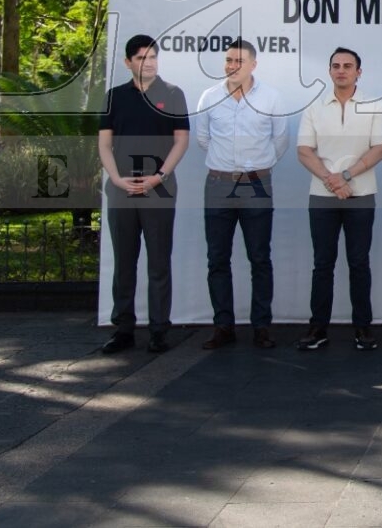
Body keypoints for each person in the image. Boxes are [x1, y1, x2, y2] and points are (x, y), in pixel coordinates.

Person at [96, 35, 189, 355]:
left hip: (159, 190)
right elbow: (104, 145)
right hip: (121, 190)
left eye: (152, 57)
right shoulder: (114, 97)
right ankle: (123, 328)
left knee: (159, 263)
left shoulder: (173, 94)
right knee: (124, 262)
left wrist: (159, 176)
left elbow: (181, 141)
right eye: (141, 58)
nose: (148, 62)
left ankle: (159, 330)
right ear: (128, 62)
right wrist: (116, 179)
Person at [194, 38, 289, 350]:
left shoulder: (272, 98)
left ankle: (261, 327)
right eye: (228, 60)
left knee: (260, 258)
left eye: (238, 60)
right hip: (219, 183)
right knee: (217, 258)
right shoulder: (209, 97)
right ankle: (223, 326)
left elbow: (280, 141)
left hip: (256, 183)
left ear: (253, 64)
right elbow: (204, 138)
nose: (232, 66)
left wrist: (256, 168)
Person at [294, 47, 382, 352]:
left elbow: (379, 148)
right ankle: (318, 327)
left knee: (359, 262)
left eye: (348, 66)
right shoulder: (315, 107)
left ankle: (363, 327)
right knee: (322, 264)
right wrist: (331, 180)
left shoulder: (374, 105)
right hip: (322, 196)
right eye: (336, 65)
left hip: (360, 195)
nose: (341, 70)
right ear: (329, 70)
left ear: (359, 72)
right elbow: (304, 151)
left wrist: (345, 177)